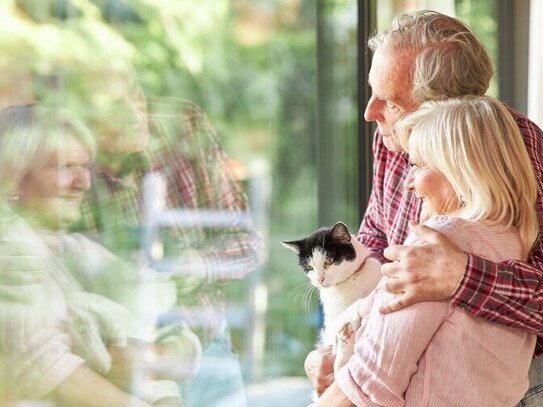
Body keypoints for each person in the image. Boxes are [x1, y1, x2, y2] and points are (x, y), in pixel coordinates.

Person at [305, 9, 543, 406]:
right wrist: (338, 342)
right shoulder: (392, 140)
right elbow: (376, 242)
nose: (369, 112)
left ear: (449, 111)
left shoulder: (517, 153)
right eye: (372, 90)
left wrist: (464, 275)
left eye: (392, 101)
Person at [0, 104, 201, 406]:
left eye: (85, 168)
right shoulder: (12, 253)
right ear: (14, 179)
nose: (84, 183)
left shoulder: (78, 251)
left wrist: (153, 357)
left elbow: (171, 322)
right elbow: (43, 364)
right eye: (65, 168)